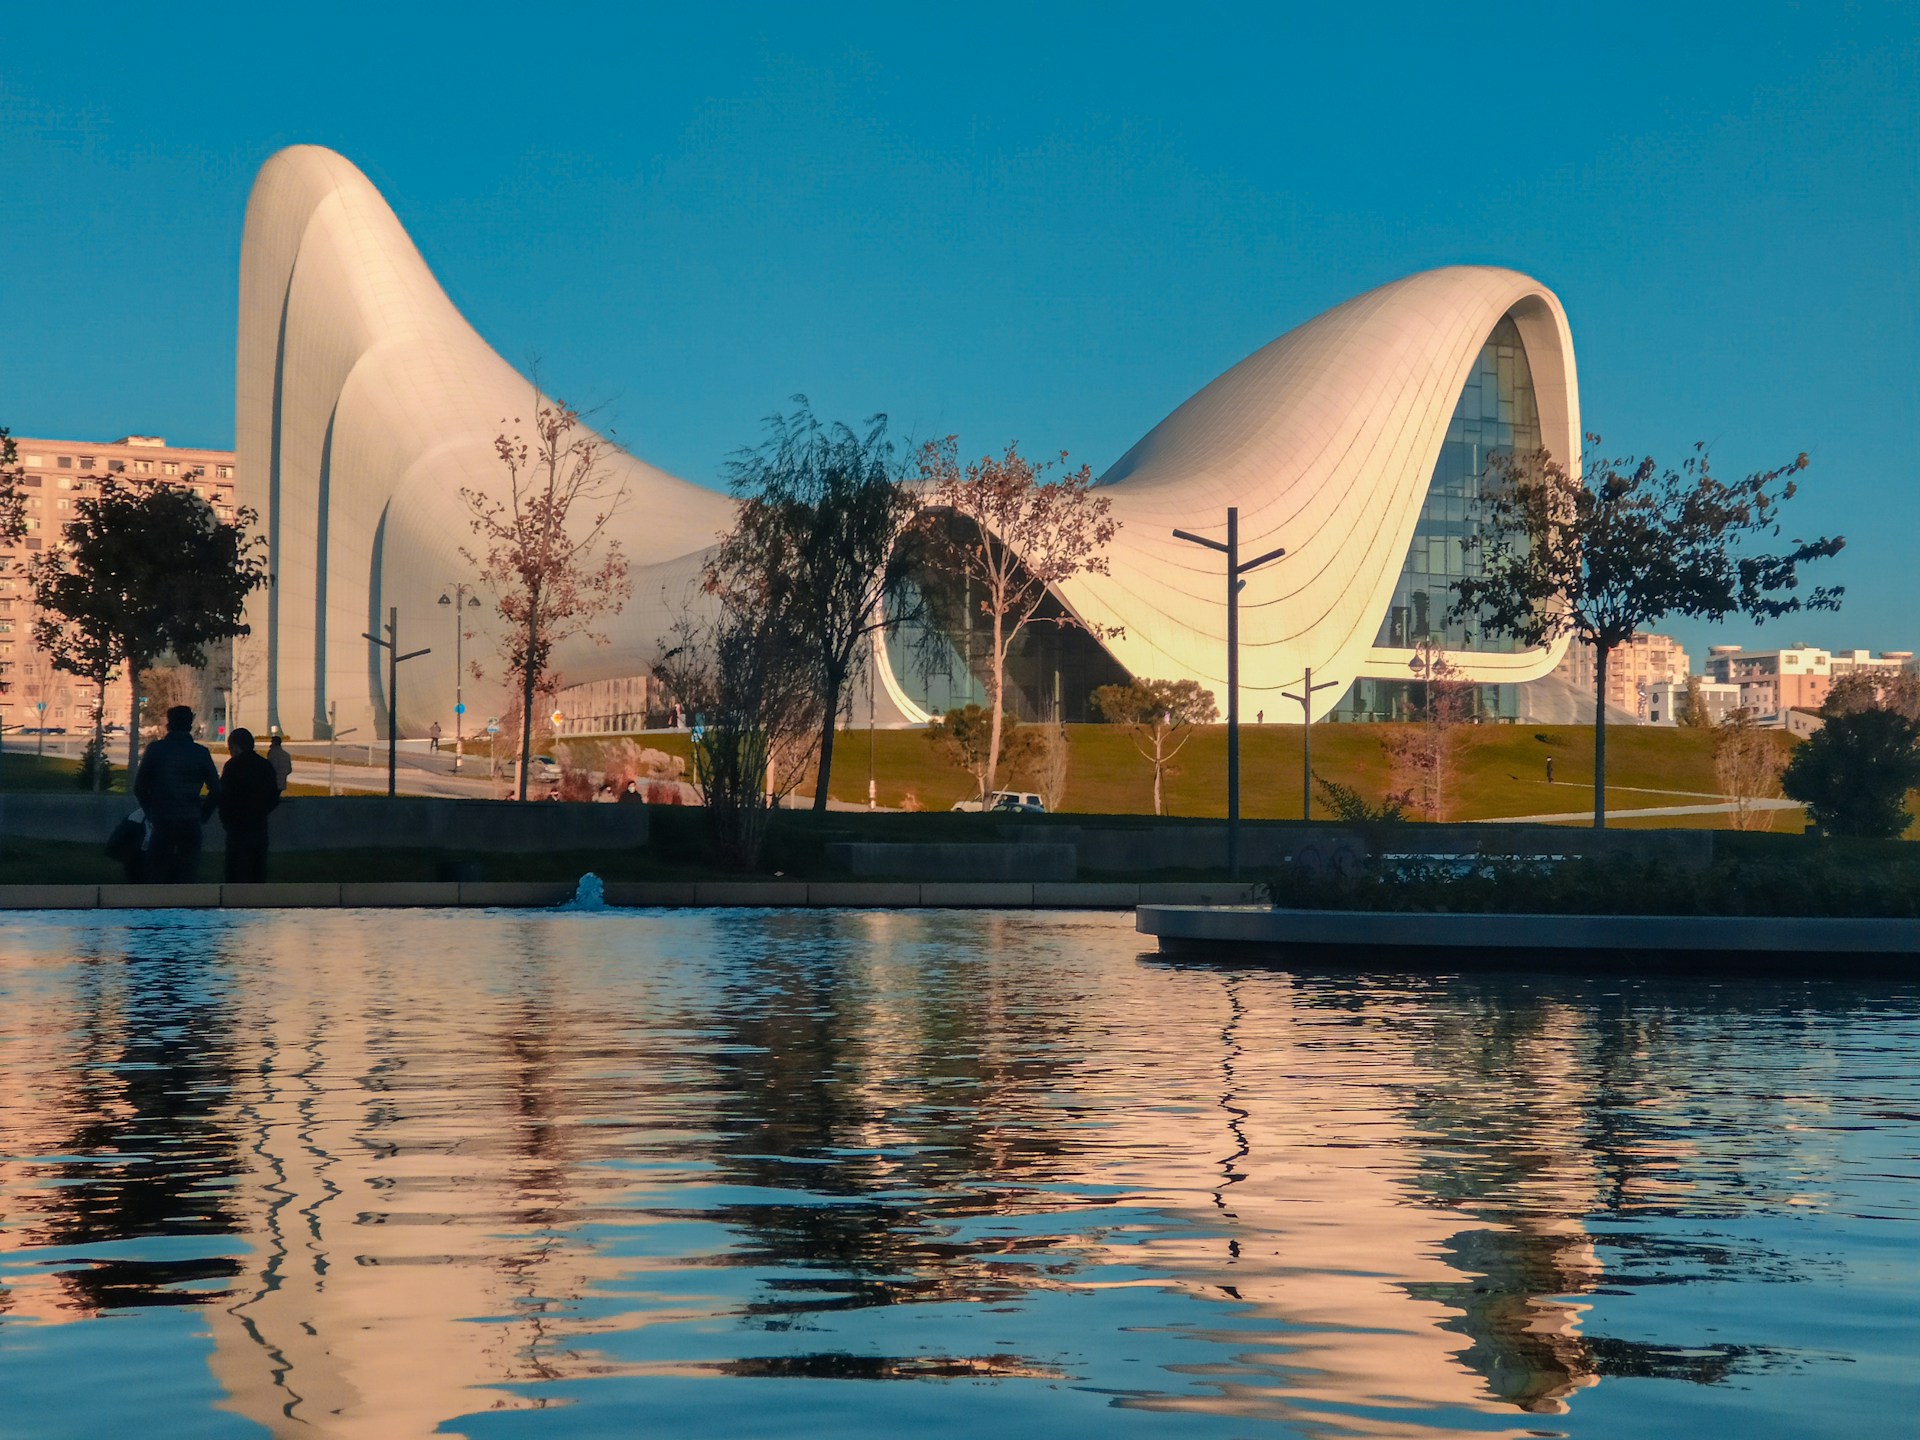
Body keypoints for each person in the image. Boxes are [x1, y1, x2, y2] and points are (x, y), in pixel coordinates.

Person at [132, 705, 221, 883]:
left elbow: (140, 786)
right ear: (190, 725)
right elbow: (216, 789)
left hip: (163, 817)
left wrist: (150, 812)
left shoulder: (156, 750)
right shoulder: (200, 753)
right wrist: (203, 815)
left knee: (157, 871)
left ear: (169, 724)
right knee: (188, 871)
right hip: (190, 818)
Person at [218, 728, 282, 883]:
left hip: (236, 828)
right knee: (257, 870)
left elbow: (223, 796)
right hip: (258, 825)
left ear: (235, 747)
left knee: (234, 872)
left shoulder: (232, 766)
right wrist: (261, 811)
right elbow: (274, 795)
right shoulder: (264, 766)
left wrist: (227, 819)